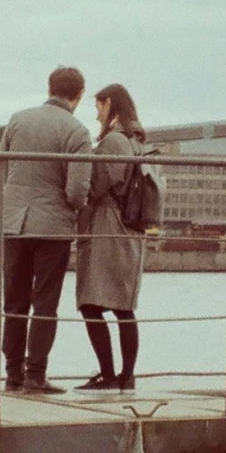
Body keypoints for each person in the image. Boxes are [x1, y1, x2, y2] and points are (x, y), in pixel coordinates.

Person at [0, 67, 92, 395]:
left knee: (14, 300)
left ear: (49, 88)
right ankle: (35, 374)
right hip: (52, 227)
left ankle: (12, 374)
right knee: (45, 302)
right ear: (78, 95)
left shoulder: (17, 120)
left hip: (14, 222)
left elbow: (6, 166)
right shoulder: (77, 132)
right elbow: (78, 190)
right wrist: (74, 206)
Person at [75, 81, 147, 391]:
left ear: (111, 107)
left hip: (110, 229)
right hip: (127, 231)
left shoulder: (115, 142)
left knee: (92, 304)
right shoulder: (136, 141)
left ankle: (112, 374)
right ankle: (124, 376)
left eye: (98, 107)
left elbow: (97, 185)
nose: (96, 115)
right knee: (122, 305)